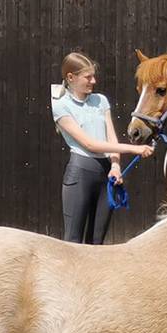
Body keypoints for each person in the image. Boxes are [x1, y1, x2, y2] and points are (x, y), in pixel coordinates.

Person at [51, 52, 153, 245]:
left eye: (93, 76)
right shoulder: (61, 106)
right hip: (80, 173)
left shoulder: (100, 101)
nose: (93, 81)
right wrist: (134, 149)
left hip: (106, 172)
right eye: (88, 77)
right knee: (72, 241)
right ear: (71, 77)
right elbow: (90, 144)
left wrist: (115, 166)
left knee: (97, 241)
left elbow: (111, 138)